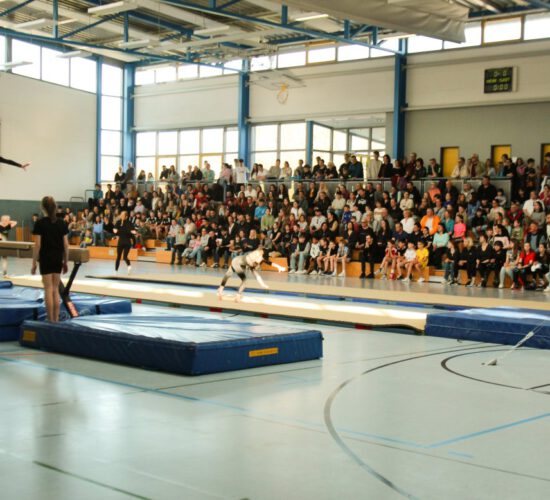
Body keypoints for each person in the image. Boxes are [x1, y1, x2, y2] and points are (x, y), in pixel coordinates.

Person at [31, 196, 69, 322]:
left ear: (42, 208)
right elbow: (66, 245)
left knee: (48, 288)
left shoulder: (40, 223)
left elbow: (37, 245)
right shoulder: (61, 223)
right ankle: (55, 319)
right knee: (55, 288)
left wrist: (34, 263)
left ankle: (50, 319)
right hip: (57, 258)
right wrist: (65, 262)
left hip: (45, 258)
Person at [217, 247, 285, 302]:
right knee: (244, 281)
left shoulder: (257, 257)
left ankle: (220, 289)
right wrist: (262, 284)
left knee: (228, 275)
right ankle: (237, 295)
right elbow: (260, 269)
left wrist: (279, 267)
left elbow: (268, 263)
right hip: (238, 262)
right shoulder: (257, 258)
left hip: (236, 260)